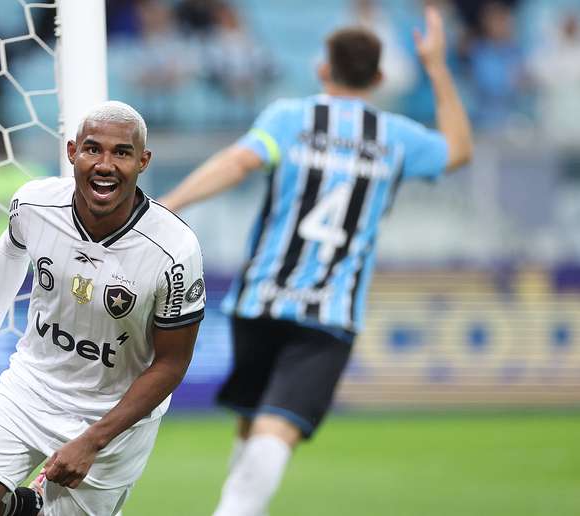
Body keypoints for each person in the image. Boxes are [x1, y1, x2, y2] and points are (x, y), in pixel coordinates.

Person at [160, 6, 472, 515]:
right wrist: (436, 65)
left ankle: (238, 508)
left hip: (259, 299)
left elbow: (239, 162)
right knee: (276, 424)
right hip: (330, 309)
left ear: (322, 69)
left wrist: (168, 206)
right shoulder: (396, 135)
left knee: (253, 417)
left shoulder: (291, 117)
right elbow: (458, 150)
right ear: (379, 77)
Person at [0, 101, 206, 516]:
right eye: (93, 149)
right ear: (72, 152)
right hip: (31, 388)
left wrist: (93, 440)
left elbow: (171, 364)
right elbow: (8, 252)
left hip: (112, 417)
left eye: (121, 153)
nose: (105, 164)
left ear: (143, 161)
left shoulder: (174, 251)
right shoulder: (35, 204)